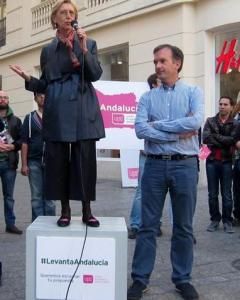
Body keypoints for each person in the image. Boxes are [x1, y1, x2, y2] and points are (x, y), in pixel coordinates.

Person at [10, 0, 105, 227]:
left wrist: (82, 49)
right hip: (58, 107)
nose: (68, 15)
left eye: (71, 12)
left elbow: (95, 73)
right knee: (59, 162)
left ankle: (87, 210)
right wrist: (28, 79)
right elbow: (44, 84)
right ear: (55, 19)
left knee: (84, 162)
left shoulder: (89, 43)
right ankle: (64, 210)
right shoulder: (48, 50)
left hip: (83, 107)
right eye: (63, 12)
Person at [127, 44, 204, 300]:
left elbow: (195, 122)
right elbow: (140, 130)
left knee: (183, 226)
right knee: (147, 226)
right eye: (155, 62)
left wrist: (157, 127)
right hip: (155, 165)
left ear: (177, 63)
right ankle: (140, 279)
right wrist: (175, 133)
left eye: (162, 61)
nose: (158, 66)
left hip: (185, 165)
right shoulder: (148, 98)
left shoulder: (194, 92)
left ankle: (182, 279)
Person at [128, 73, 162, 239]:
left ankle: (156, 224)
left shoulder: (166, 102)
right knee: (141, 191)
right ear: (154, 84)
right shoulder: (146, 101)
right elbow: (142, 128)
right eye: (160, 81)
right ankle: (135, 224)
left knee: (160, 191)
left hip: (163, 153)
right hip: (146, 152)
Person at [203, 96, 237, 234]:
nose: (222, 106)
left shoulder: (235, 124)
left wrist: (215, 136)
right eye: (220, 104)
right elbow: (205, 138)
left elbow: (232, 140)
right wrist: (224, 140)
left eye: (225, 104)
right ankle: (215, 220)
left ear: (231, 106)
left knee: (227, 194)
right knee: (212, 194)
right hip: (211, 161)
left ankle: (227, 221)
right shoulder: (210, 121)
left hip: (227, 162)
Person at [21, 93, 56, 222]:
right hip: (33, 162)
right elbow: (24, 142)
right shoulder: (29, 118)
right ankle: (37, 225)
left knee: (50, 197)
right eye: (40, 95)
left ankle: (51, 224)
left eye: (46, 95)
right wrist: (24, 164)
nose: (43, 97)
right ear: (35, 98)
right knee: (36, 197)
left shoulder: (54, 117)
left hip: (51, 162)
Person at [0, 90, 22, 234]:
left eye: (5, 97)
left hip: (9, 163)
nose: (2, 99)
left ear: (8, 100)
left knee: (9, 197)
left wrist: (13, 146)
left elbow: (22, 140)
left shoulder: (15, 120)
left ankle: (10, 224)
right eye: (0, 97)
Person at [231, 101, 240, 225]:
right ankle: (237, 216)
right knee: (236, 190)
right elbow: (235, 140)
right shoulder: (236, 120)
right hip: (236, 160)